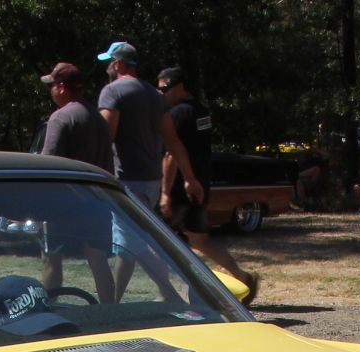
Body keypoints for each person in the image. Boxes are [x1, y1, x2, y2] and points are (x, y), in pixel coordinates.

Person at [96, 41, 199, 300]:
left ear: (118, 63)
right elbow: (172, 140)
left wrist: (93, 174)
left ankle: (170, 294)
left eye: (110, 62)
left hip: (126, 180)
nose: (108, 67)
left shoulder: (112, 92)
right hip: (152, 180)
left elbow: (105, 137)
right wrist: (190, 178)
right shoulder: (155, 95)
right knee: (127, 246)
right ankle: (114, 301)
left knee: (135, 246)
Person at [158, 68, 260, 299]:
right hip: (199, 185)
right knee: (200, 240)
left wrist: (165, 192)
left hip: (179, 187)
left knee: (157, 242)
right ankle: (241, 277)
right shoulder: (201, 111)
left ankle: (170, 294)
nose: (161, 94)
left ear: (180, 86)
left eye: (164, 88)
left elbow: (171, 154)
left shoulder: (178, 114)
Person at [35, 61, 114, 300]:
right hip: (96, 200)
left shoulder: (60, 118)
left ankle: (50, 309)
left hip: (63, 203)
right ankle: (110, 311)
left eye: (52, 85)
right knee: (98, 259)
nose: (51, 91)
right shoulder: (98, 118)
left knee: (51, 258)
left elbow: (48, 165)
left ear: (61, 86)